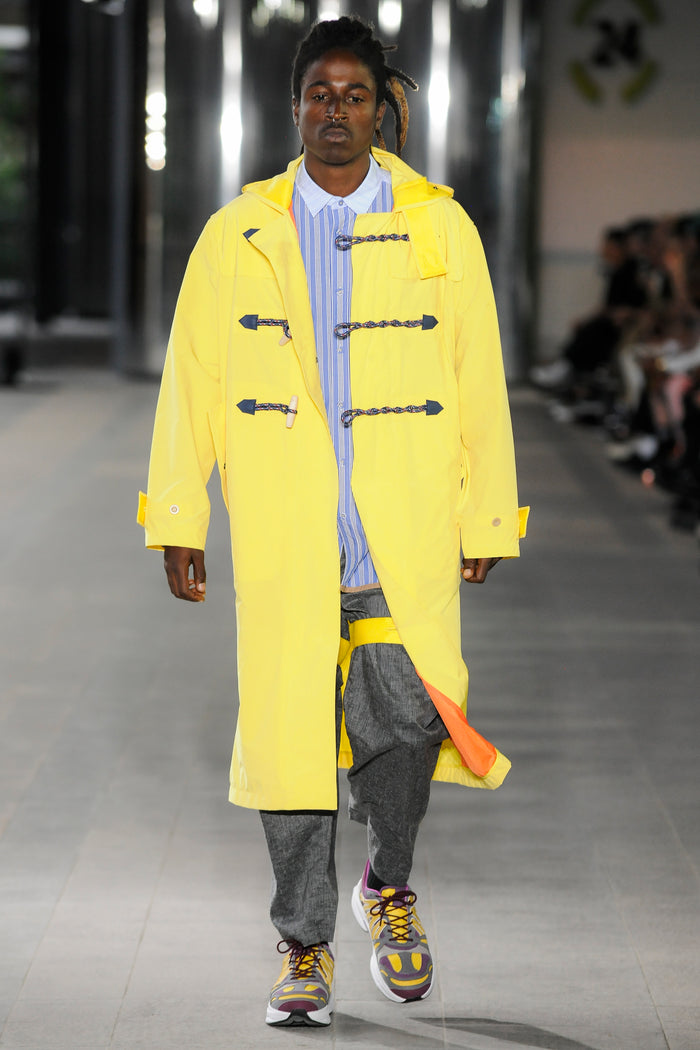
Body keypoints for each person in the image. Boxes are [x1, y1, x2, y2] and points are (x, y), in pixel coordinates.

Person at [138, 15, 527, 1029]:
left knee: (407, 721)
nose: (337, 112)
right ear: (295, 107)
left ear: (381, 108)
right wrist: (179, 515)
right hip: (286, 530)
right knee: (292, 736)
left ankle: (387, 883)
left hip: (403, 525)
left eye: (356, 95)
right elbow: (191, 381)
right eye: (321, 95)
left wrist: (486, 515)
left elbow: (478, 377)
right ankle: (302, 942)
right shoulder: (238, 233)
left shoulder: (440, 228)